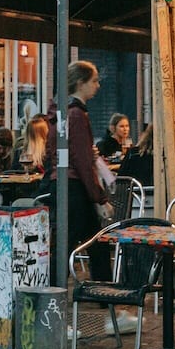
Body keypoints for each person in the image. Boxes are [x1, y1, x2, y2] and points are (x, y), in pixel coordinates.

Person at [53, 61, 134, 333]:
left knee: (81, 250)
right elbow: (82, 160)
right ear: (81, 83)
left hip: (69, 188)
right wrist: (98, 199)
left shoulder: (63, 112)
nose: (98, 86)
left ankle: (109, 309)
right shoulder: (76, 115)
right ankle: (104, 311)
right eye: (95, 80)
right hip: (75, 190)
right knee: (80, 250)